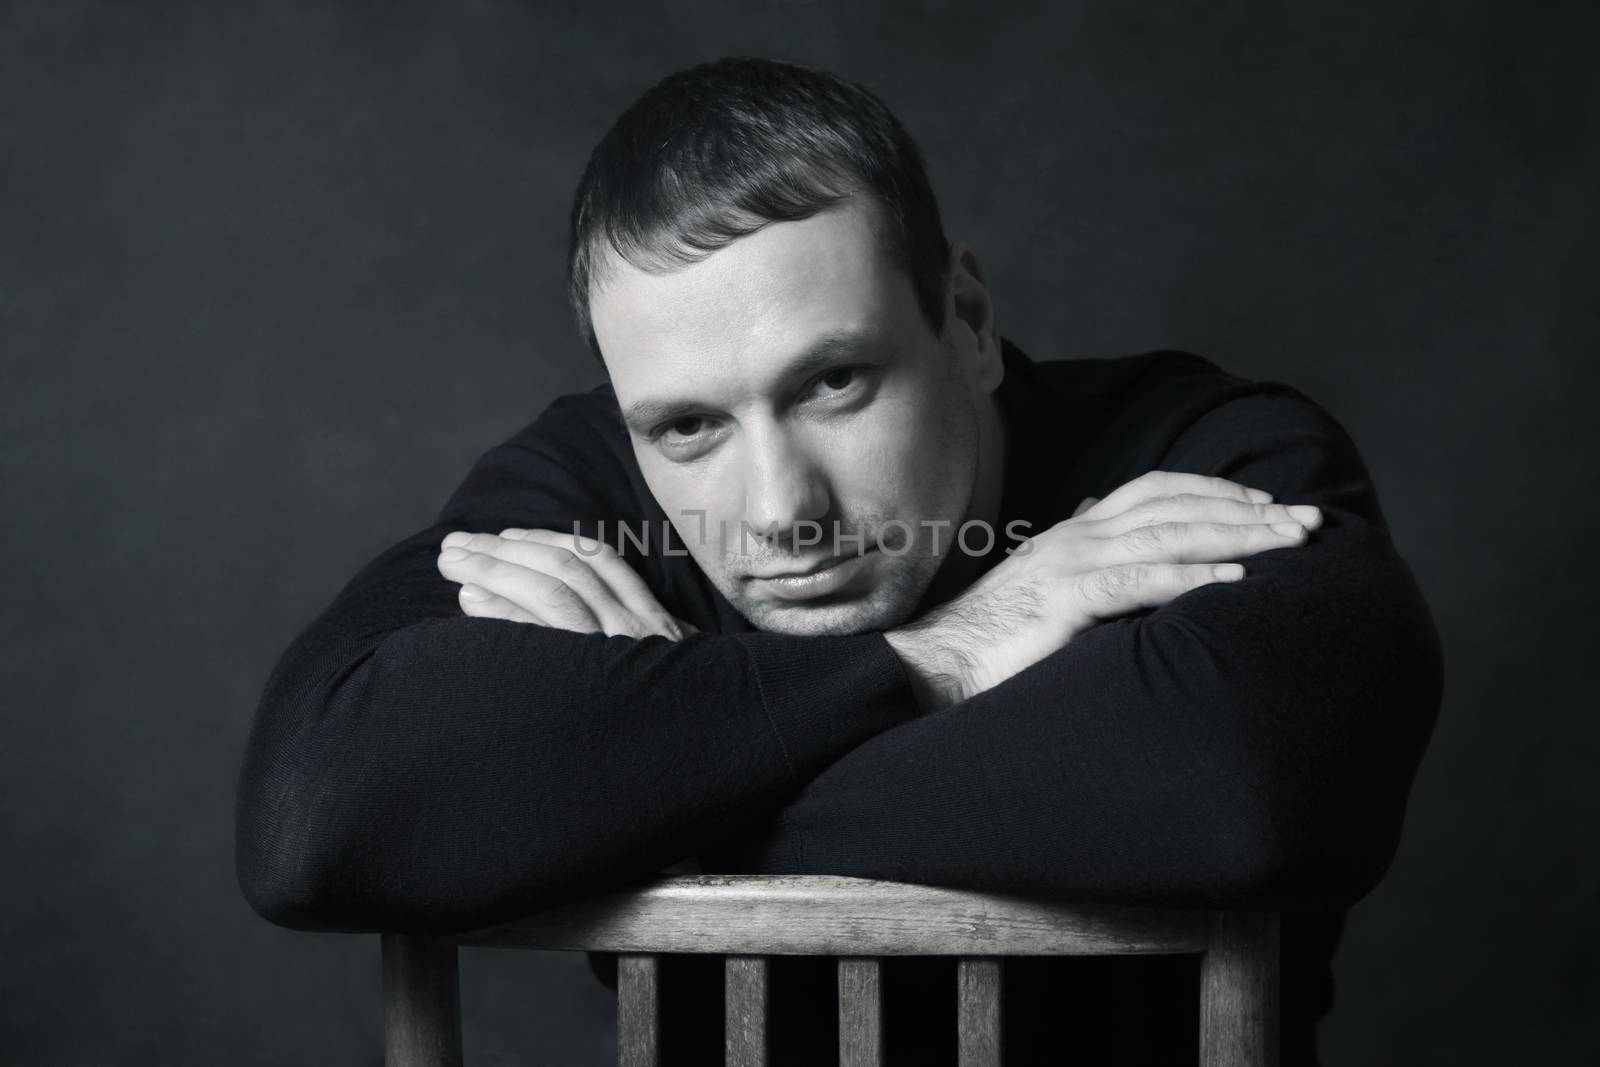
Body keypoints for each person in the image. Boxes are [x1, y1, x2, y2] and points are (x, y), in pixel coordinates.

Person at [235, 56, 1442, 1064]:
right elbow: (318, 816)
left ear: (965, 320)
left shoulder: (1201, 456)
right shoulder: (592, 492)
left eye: (834, 382)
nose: (778, 511)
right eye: (687, 427)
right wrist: (944, 656)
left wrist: (654, 790)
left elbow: (1238, 795)